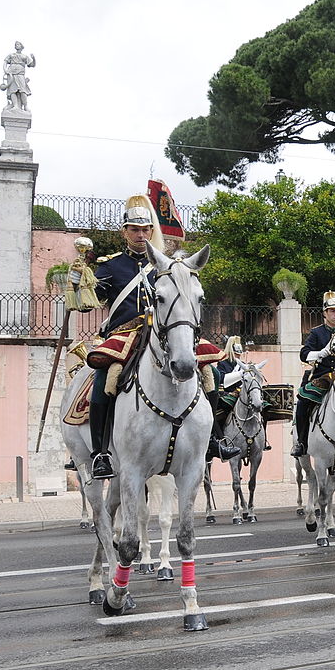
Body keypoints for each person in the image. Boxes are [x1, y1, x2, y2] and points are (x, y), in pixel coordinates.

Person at [73, 195, 222, 480]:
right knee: (105, 377)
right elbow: (89, 304)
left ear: (151, 231)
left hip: (164, 332)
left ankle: (213, 438)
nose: (140, 235)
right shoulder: (110, 266)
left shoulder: (166, 265)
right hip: (124, 334)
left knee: (209, 371)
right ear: (125, 232)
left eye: (145, 230)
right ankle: (101, 453)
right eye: (134, 230)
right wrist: (78, 286)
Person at [291, 291, 335, 458]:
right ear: (325, 313)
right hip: (322, 377)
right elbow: (304, 354)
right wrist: (320, 353)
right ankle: (302, 442)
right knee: (302, 403)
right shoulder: (317, 333)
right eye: (332, 311)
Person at [208, 337, 247, 459]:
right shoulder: (223, 364)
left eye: (239, 353)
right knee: (216, 413)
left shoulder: (243, 364)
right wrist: (239, 374)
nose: (238, 355)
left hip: (242, 395)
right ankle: (219, 438)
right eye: (236, 353)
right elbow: (222, 380)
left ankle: (262, 439)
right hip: (227, 395)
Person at [0, 41, 35, 111]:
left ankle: (25, 106)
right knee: (12, 91)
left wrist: (34, 59)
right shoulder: (11, 55)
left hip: (20, 74)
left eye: (18, 44)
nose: (16, 45)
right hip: (11, 74)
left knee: (23, 90)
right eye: (16, 44)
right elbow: (5, 62)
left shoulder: (24, 56)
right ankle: (15, 105)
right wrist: (5, 70)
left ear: (21, 46)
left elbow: (32, 65)